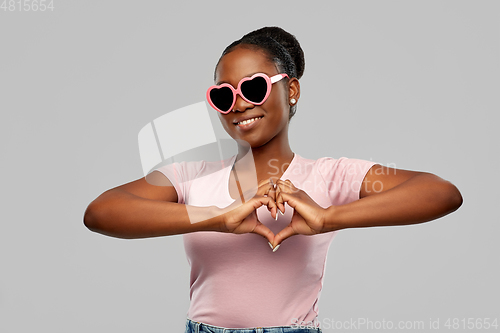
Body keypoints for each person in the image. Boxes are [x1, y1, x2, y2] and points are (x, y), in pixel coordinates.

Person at [84, 27, 463, 333]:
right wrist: (217, 217)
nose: (239, 104)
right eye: (223, 95)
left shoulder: (328, 175)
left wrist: (328, 217)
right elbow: (101, 213)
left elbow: (440, 193)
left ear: (291, 90)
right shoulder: (190, 177)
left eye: (253, 87)